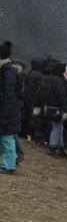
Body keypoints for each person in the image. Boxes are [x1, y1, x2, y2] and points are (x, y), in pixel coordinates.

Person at [36, 59, 67, 159]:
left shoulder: (47, 77)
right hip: (56, 108)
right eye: (66, 69)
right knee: (57, 128)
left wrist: (37, 105)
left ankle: (60, 149)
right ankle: (52, 148)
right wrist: (66, 111)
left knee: (59, 127)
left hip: (47, 107)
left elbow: (39, 92)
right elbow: (62, 97)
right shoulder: (59, 80)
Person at [0, 41, 21, 174]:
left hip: (7, 111)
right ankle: (12, 159)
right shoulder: (4, 70)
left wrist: (5, 116)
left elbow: (8, 96)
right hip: (4, 110)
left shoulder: (8, 73)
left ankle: (9, 166)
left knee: (7, 139)